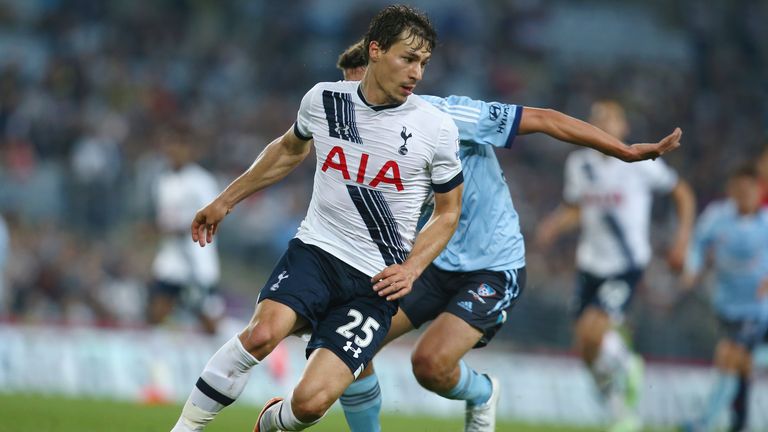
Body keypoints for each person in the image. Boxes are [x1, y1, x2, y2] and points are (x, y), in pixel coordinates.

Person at [336, 41, 684, 432]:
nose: (359, 102)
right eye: (349, 93)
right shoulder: (358, 139)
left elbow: (545, 119)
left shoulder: (445, 115)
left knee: (429, 365)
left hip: (491, 267)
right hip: (429, 260)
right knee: (348, 347)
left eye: (364, 87)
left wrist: (622, 151)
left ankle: (482, 394)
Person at [170, 6, 466, 432]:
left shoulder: (435, 128)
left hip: (375, 283)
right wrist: (226, 199)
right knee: (260, 335)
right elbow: (290, 148)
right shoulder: (326, 100)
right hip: (317, 252)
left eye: (423, 63)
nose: (417, 73)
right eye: (408, 58)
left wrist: (412, 267)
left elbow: (448, 211)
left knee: (310, 404)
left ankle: (270, 424)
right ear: (376, 50)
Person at [535, 100, 696, 431]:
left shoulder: (639, 162)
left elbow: (682, 193)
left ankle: (623, 367)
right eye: (597, 119)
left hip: (626, 264)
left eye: (611, 119)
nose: (604, 124)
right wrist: (553, 226)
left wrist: (682, 241)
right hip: (590, 263)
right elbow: (576, 208)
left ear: (624, 128)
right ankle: (620, 394)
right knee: (585, 345)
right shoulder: (579, 164)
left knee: (594, 331)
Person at [680, 164, 768, 432]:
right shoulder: (717, 217)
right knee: (739, 365)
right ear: (731, 190)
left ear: (759, 191)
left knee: (729, 356)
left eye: (750, 190)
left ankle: (703, 423)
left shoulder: (766, 223)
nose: (745, 195)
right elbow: (697, 243)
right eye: (739, 190)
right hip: (726, 306)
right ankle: (734, 424)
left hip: (757, 309)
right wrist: (691, 269)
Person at [148, 125, 224, 335]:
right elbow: (164, 218)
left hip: (197, 261)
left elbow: (215, 217)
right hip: (171, 261)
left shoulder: (202, 181)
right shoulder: (163, 181)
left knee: (209, 321)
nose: (174, 150)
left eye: (179, 145)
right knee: (157, 313)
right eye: (170, 145)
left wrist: (180, 229)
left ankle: (225, 360)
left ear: (190, 149)